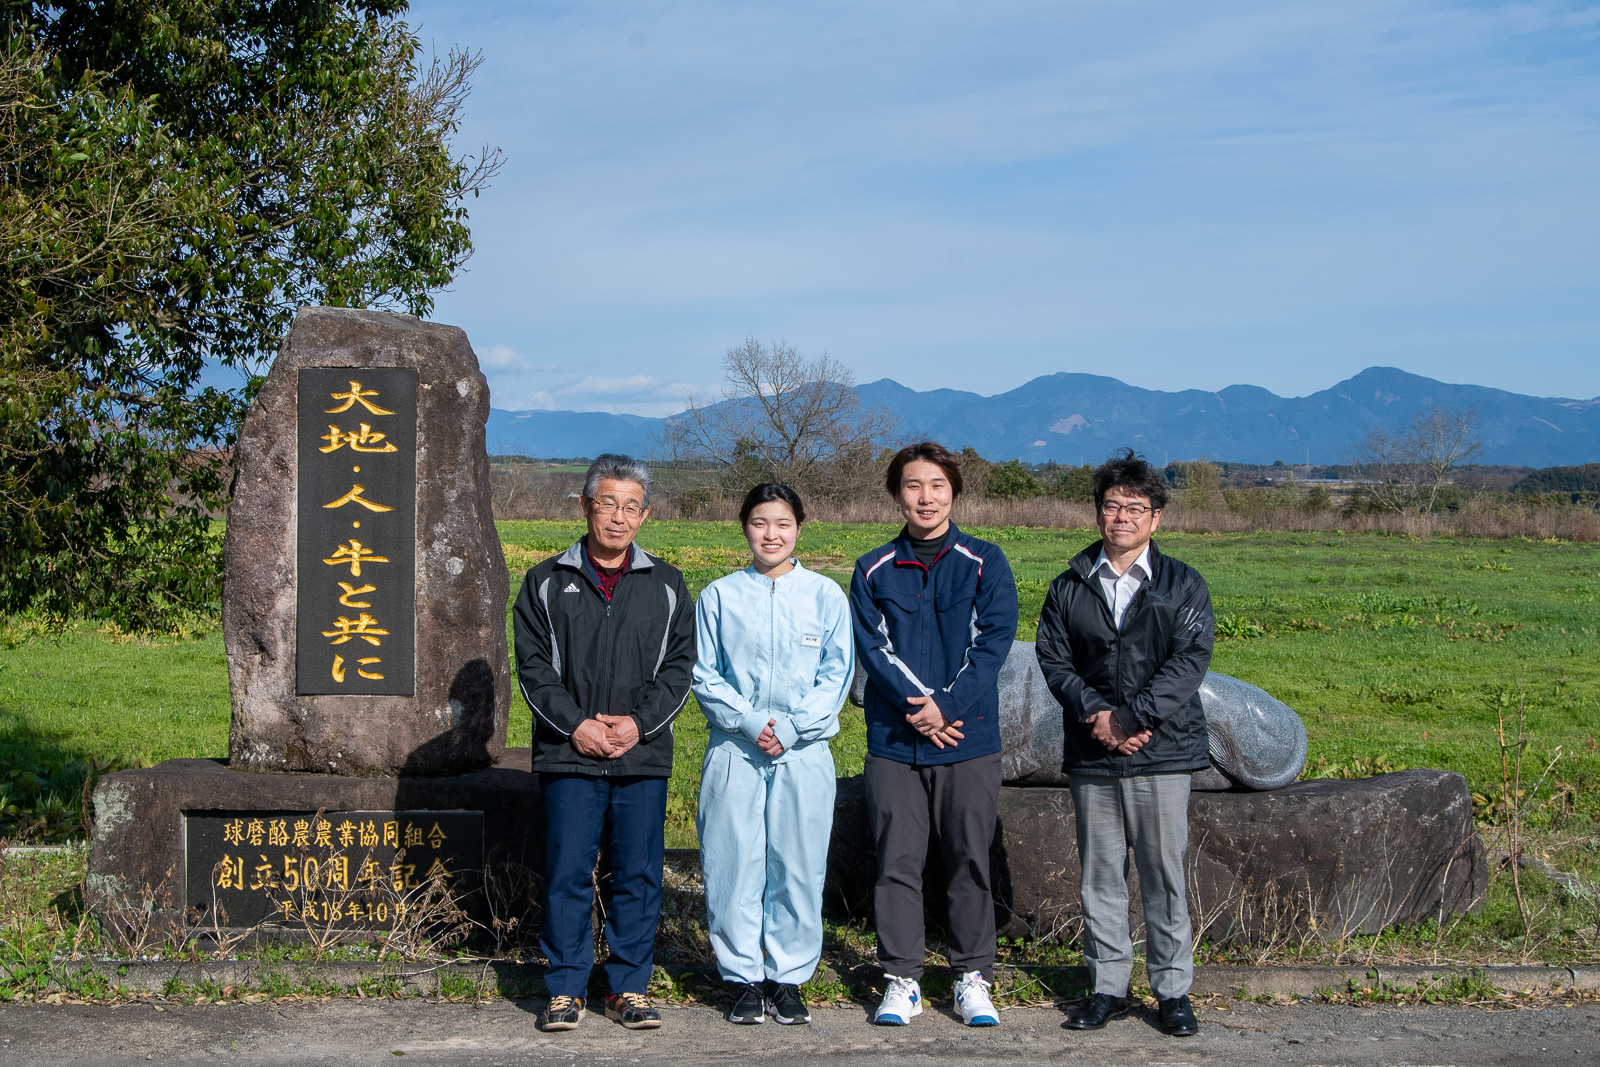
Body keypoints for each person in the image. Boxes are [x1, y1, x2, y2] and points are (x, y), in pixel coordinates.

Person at [511, 454, 695, 1033]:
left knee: (637, 872)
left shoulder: (665, 582)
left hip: (641, 755)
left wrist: (639, 725)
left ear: (645, 514)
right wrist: (577, 726)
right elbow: (534, 668)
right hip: (570, 753)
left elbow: (680, 667)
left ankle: (628, 987)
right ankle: (565, 987)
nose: (619, 517)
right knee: (567, 869)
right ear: (587, 505)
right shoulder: (545, 580)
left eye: (631, 506)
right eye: (608, 503)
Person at [1034, 448, 1214, 1038]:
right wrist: (1096, 715)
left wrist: (1132, 719)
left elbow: (1189, 663)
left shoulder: (1183, 585)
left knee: (1163, 871)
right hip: (1093, 752)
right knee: (1100, 874)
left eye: (1135, 508)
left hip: (1160, 751)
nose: (1122, 518)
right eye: (1111, 506)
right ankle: (1107, 985)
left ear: (1156, 517)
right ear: (1096, 513)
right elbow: (1054, 660)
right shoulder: (1069, 585)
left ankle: (1172, 991)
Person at [848, 441, 1019, 1028]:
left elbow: (992, 644)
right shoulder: (872, 568)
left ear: (954, 492)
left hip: (967, 739)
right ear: (898, 494)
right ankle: (901, 980)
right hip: (895, 742)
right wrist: (920, 709)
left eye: (937, 486)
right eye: (914, 486)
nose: (926, 497)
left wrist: (946, 707)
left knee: (969, 859)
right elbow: (874, 649)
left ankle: (972, 977)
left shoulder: (984, 561)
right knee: (896, 861)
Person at [692, 483, 854, 1027]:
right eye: (760, 523)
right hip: (736, 749)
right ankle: (741, 977)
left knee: (799, 864)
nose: (771, 535)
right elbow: (704, 673)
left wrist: (792, 725)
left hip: (804, 751)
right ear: (745, 527)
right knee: (733, 862)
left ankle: (788, 977)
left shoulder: (826, 595)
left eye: (782, 523)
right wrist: (751, 720)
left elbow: (837, 674)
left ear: (799, 529)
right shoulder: (719, 595)